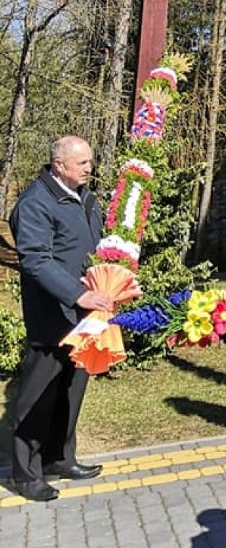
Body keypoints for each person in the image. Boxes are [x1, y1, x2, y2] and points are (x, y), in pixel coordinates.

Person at [9, 136, 113, 502]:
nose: (89, 167)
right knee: (37, 397)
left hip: (85, 317)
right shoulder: (35, 203)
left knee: (72, 390)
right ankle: (26, 473)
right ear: (59, 165)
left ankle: (59, 458)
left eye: (89, 161)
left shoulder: (85, 198)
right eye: (82, 162)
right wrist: (77, 294)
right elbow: (36, 260)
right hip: (52, 318)